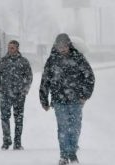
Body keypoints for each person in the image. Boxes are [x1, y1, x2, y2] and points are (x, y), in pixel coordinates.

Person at [39, 33, 95, 165]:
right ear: (56, 46)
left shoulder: (78, 58)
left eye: (64, 45)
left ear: (69, 45)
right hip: (59, 100)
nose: (62, 48)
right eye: (60, 46)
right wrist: (44, 99)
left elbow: (90, 77)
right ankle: (64, 155)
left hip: (76, 100)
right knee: (63, 128)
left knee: (75, 127)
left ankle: (72, 152)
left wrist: (84, 95)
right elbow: (45, 81)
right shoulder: (52, 60)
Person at [0, 40, 33, 150]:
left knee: (18, 119)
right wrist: (0, 88)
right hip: (5, 94)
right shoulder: (2, 61)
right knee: (5, 118)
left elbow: (29, 77)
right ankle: (6, 141)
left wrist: (25, 90)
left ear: (17, 48)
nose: (10, 49)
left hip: (19, 95)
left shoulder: (24, 62)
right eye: (9, 47)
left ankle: (17, 142)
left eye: (12, 47)